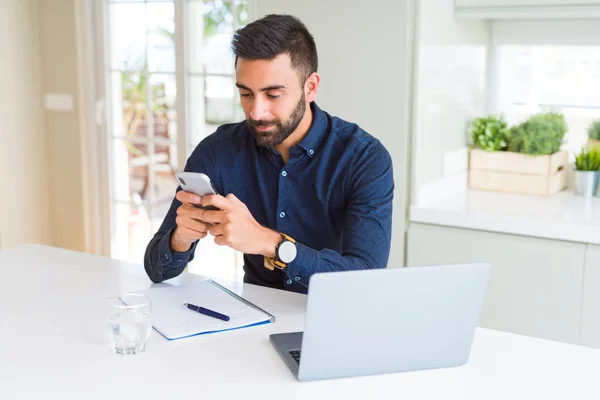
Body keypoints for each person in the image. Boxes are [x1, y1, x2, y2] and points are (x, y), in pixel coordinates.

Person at [144, 14, 394, 294]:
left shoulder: (364, 159)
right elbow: (156, 270)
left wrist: (271, 244)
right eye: (246, 94)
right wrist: (180, 239)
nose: (256, 112)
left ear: (310, 87)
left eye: (273, 95)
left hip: (336, 314)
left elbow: (365, 278)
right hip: (253, 318)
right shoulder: (218, 151)